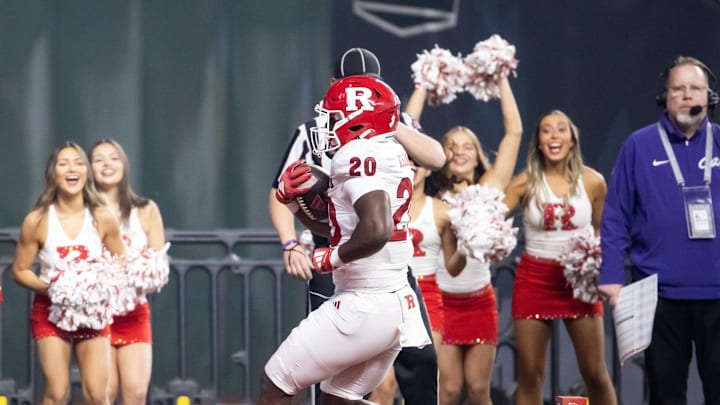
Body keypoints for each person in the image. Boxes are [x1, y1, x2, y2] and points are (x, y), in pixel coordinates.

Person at [268, 47, 443, 404]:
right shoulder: (316, 131)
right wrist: (292, 241)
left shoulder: (372, 141)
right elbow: (316, 207)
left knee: (284, 379)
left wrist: (385, 119)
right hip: (353, 257)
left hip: (370, 267)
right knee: (335, 390)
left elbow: (434, 159)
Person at [599, 56, 720, 405]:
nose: (686, 95)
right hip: (658, 293)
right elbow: (616, 215)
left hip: (717, 292)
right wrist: (611, 277)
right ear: (664, 97)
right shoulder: (639, 145)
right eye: (677, 89)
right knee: (665, 395)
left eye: (694, 88)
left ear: (709, 96)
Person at [410, 77, 522, 405]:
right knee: (447, 390)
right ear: (438, 155)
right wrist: (423, 84)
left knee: (477, 390)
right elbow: (408, 132)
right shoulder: (430, 194)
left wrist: (500, 76)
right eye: (451, 146)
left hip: (478, 299)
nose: (459, 152)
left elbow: (513, 133)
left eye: (467, 146)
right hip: (438, 300)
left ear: (477, 156)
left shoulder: (490, 188)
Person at [503, 110, 616, 404]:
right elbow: (491, 219)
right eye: (546, 131)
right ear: (538, 141)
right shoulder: (524, 182)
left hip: (578, 283)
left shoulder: (593, 182)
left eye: (561, 130)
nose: (554, 136)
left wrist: (595, 267)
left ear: (572, 138)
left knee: (594, 372)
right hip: (534, 279)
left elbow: (601, 230)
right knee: (529, 375)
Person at [12, 141, 125, 405]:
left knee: (98, 394)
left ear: (86, 172)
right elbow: (19, 270)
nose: (71, 168)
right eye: (63, 163)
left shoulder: (102, 217)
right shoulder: (37, 220)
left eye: (78, 163)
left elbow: (119, 261)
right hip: (50, 313)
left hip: (93, 316)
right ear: (53, 173)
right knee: (58, 391)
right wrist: (56, 288)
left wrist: (95, 286)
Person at [90, 139, 167, 404]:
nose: (107, 164)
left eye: (113, 158)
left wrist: (133, 269)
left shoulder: (146, 210)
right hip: (96, 315)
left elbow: (160, 264)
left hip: (134, 312)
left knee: (135, 393)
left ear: (124, 165)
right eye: (99, 159)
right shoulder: (83, 212)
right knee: (104, 394)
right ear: (89, 168)